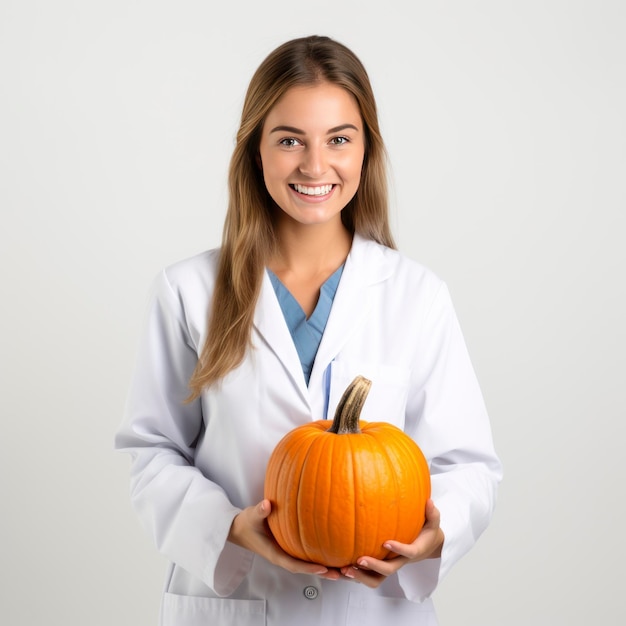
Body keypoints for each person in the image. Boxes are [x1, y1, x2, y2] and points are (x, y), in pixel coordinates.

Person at [115, 35, 502, 626]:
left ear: (366, 150)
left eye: (339, 140)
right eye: (290, 140)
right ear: (256, 152)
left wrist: (432, 534)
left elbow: (467, 465)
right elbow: (151, 453)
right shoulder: (187, 291)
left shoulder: (417, 297)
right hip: (235, 604)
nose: (315, 166)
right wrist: (228, 528)